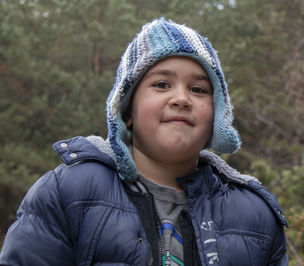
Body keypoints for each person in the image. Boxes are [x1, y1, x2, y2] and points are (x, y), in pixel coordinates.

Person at [0, 18, 288, 266]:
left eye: (198, 89)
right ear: (127, 112)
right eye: (161, 84)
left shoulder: (256, 216)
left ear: (217, 115)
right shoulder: (68, 192)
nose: (181, 98)